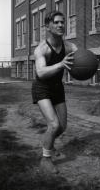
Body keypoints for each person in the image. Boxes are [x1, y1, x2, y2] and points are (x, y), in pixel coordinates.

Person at [32, 10, 77, 174]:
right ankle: (45, 159)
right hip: (42, 87)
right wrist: (60, 64)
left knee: (62, 127)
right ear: (48, 26)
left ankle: (47, 142)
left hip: (57, 87)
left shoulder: (69, 46)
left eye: (62, 22)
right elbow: (41, 72)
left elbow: (81, 58)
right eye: (56, 22)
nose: (60, 25)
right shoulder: (42, 49)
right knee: (54, 124)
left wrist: (87, 64)